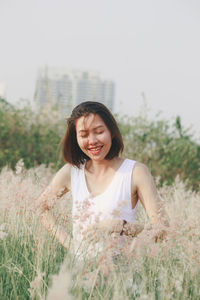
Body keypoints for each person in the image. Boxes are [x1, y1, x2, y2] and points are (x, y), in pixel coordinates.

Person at [38, 101, 168, 256]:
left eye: (99, 132)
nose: (92, 141)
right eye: (84, 135)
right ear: (76, 138)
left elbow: (162, 229)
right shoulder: (71, 172)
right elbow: (41, 208)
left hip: (120, 275)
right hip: (80, 275)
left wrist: (118, 226)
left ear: (111, 132)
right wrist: (70, 245)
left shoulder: (135, 172)